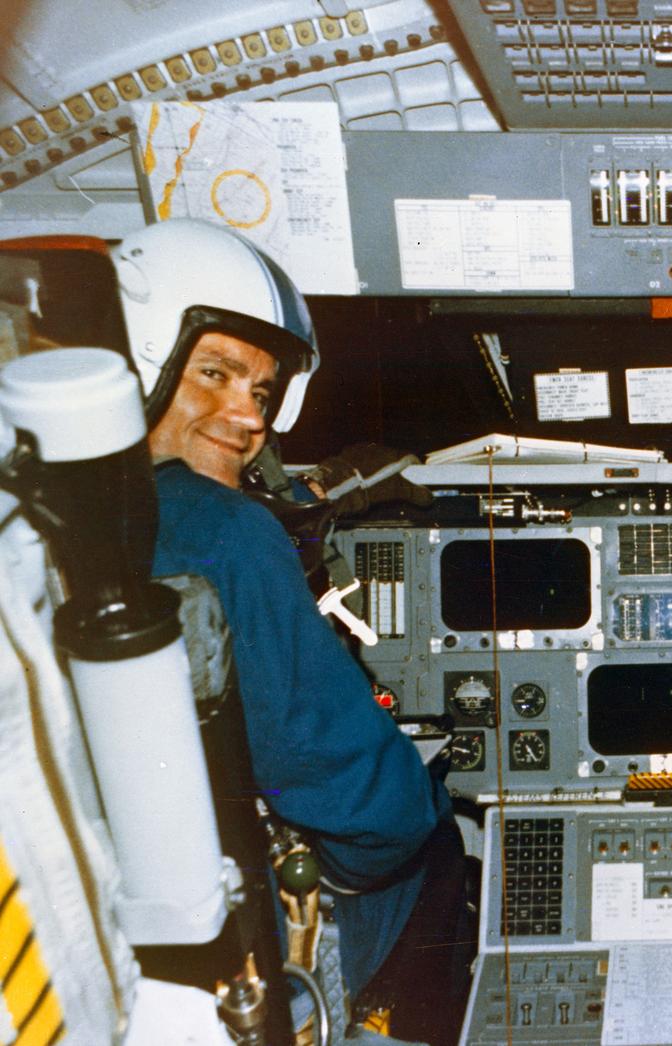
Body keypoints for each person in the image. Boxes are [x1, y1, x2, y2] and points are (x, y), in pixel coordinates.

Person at [111, 217, 473, 1043]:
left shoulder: (44, 517)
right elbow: (356, 797)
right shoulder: (228, 531)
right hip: (233, 919)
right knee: (435, 837)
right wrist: (369, 848)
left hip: (130, 910)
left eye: (262, 392)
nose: (247, 416)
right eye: (215, 373)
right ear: (145, 359)